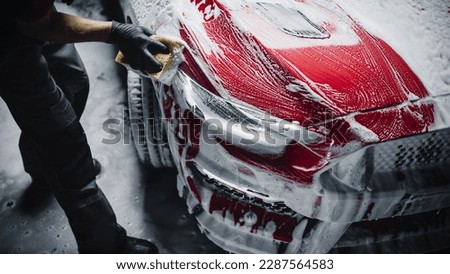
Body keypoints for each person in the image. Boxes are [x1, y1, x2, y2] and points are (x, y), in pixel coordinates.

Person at [0, 0, 169, 253]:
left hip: (30, 15)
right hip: (7, 42)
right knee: (63, 143)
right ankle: (105, 247)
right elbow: (42, 27)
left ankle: (43, 168)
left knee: (72, 79)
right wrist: (115, 32)